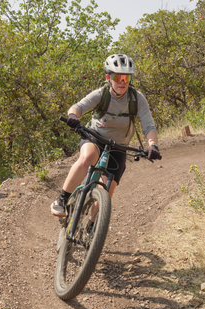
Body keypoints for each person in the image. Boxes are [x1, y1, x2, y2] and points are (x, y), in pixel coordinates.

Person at [51, 53, 161, 217]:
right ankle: (61, 199)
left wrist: (153, 145)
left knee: (107, 191)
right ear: (108, 77)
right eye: (118, 77)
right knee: (88, 157)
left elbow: (148, 125)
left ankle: (93, 228)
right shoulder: (102, 94)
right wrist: (73, 116)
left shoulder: (137, 99)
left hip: (118, 146)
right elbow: (78, 107)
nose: (122, 82)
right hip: (95, 137)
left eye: (126, 78)